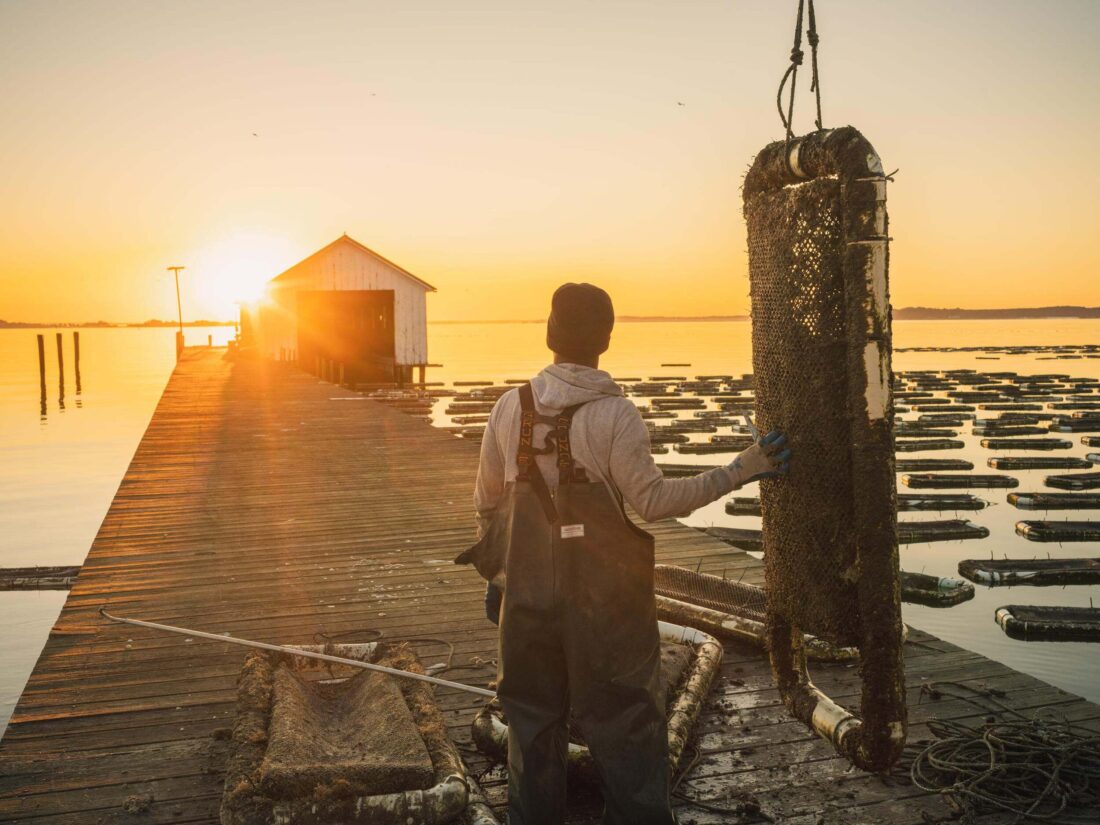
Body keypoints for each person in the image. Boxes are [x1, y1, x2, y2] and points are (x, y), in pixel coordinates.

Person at [468, 283, 790, 825]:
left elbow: (485, 507)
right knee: (628, 723)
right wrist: (743, 467)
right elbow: (656, 502)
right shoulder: (616, 416)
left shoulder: (508, 408)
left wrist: (500, 580)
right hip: (606, 606)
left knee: (531, 722)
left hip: (525, 602)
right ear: (606, 341)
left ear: (549, 333)